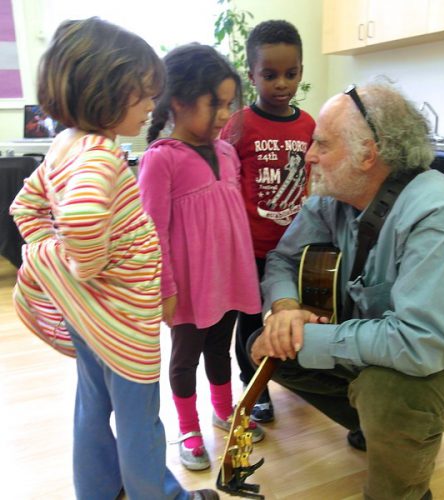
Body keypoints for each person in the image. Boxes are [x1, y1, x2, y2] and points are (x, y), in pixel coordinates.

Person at [248, 81, 444, 500]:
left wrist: (306, 336)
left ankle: (401, 487)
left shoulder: (434, 214)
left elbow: (424, 345)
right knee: (267, 348)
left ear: (368, 153)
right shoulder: (335, 196)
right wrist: (287, 308)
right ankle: (381, 430)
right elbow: (282, 260)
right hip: (386, 339)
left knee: (389, 393)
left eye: (322, 145)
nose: (309, 155)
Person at [10, 17, 219, 500]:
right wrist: (75, 265)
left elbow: (25, 206)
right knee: (139, 419)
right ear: (108, 90)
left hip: (90, 317)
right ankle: (160, 495)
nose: (152, 106)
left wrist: (61, 269)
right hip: (123, 321)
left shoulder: (63, 145)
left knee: (92, 405)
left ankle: (101, 490)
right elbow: (82, 225)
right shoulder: (101, 156)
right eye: (144, 95)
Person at [138, 43, 264, 472]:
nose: (225, 115)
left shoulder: (228, 153)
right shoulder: (160, 160)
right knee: (185, 357)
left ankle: (223, 409)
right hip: (188, 288)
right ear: (179, 101)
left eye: (230, 104)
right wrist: (165, 290)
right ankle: (189, 428)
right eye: (216, 104)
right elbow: (151, 233)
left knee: (220, 348)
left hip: (227, 279)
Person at [220, 19, 315, 423]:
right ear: (251, 75)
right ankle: (252, 384)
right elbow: (223, 181)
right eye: (270, 75)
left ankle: (300, 378)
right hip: (250, 248)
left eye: (290, 75)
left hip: (295, 248)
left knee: (295, 314)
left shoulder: (309, 125)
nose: (281, 84)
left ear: (301, 73)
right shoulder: (239, 124)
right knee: (250, 321)